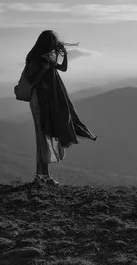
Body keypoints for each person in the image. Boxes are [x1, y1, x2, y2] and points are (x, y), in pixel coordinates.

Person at [23, 30, 97, 185]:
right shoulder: (36, 58)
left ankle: (43, 175)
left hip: (49, 99)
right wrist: (43, 70)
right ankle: (41, 175)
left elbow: (63, 68)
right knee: (42, 135)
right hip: (40, 101)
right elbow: (31, 79)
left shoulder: (46, 57)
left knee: (45, 135)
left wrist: (65, 55)